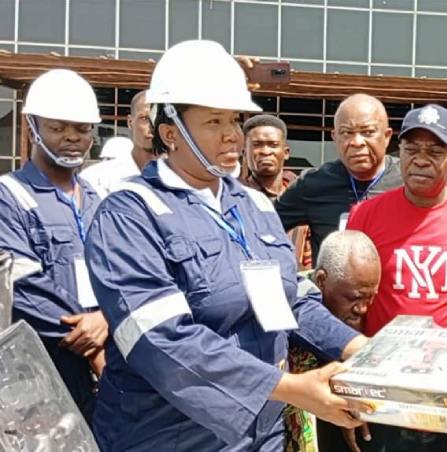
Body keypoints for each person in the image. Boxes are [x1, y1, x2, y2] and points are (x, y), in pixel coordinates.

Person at [84, 40, 368, 451]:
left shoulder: (252, 204)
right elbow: (161, 340)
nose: (234, 134)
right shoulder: (128, 215)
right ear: (170, 133)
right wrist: (289, 387)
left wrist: (357, 346)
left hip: (261, 431)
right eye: (214, 122)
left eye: (235, 119)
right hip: (169, 436)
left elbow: (294, 300)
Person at [347, 104, 447, 452]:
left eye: (435, 151)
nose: (421, 160)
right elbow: (349, 313)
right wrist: (349, 394)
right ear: (398, 152)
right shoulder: (366, 215)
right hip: (381, 397)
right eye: (411, 150)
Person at [0, 69, 107, 421]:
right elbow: (23, 284)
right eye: (58, 128)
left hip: (108, 363)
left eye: (81, 129)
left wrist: (107, 320)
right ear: (32, 127)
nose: (71, 138)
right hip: (42, 370)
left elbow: (127, 275)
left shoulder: (100, 199)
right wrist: (89, 340)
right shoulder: (9, 196)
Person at [275, 94, 403, 264]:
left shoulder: (407, 180)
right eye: (346, 133)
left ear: (387, 136)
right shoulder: (313, 184)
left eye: (367, 132)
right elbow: (261, 228)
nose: (357, 142)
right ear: (334, 137)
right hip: (332, 289)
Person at [285, 230, 381, 452]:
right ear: (321, 280)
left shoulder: (349, 319)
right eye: (355, 298)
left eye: (371, 297)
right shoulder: (290, 308)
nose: (363, 309)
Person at [240, 114, 312, 269]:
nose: (266, 151)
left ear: (285, 152)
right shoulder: (234, 199)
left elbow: (309, 254)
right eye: (257, 145)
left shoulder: (302, 197)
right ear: (244, 153)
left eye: (273, 144)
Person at [79, 91, 157, 197]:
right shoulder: (95, 179)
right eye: (144, 118)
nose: (153, 126)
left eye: (158, 119)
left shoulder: (182, 178)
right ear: (130, 122)